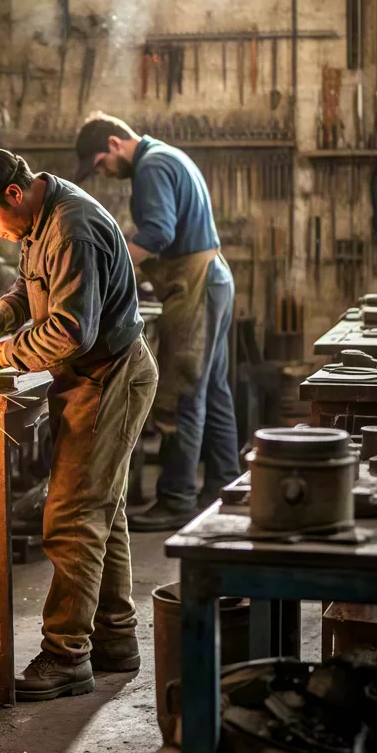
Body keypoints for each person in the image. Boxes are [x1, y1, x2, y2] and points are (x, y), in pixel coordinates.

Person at [0, 147, 158, 700]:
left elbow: (68, 333)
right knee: (100, 507)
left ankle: (67, 655)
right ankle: (115, 638)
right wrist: (2, 314)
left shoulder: (72, 228)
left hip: (108, 376)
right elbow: (32, 287)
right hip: (93, 377)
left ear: (13, 195)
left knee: (71, 516)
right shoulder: (40, 219)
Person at [74, 113, 240, 532]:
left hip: (195, 284)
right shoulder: (167, 156)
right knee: (212, 391)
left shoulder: (151, 166)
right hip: (212, 278)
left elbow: (157, 235)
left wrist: (104, 266)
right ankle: (224, 484)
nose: (105, 175)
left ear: (114, 144)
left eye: (100, 165)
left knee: (182, 391)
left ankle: (178, 498)